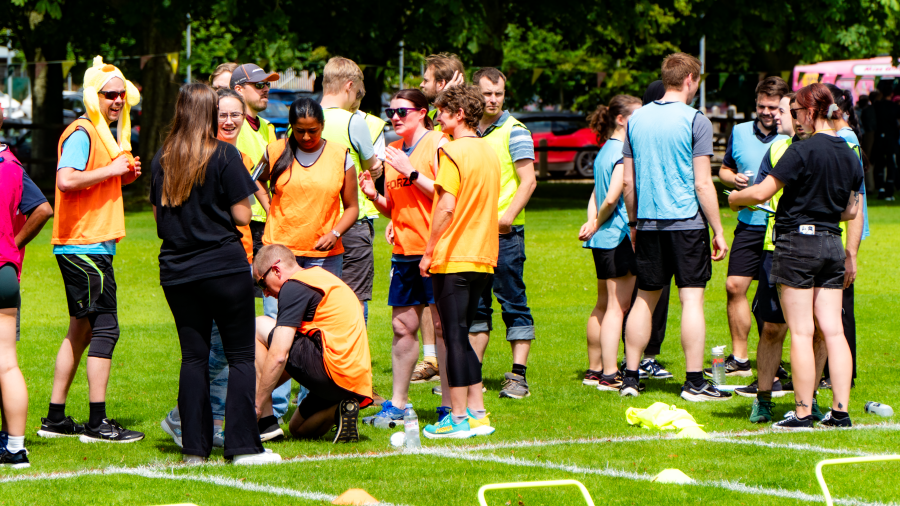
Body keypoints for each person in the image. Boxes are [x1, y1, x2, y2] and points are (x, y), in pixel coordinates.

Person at [150, 84, 280, 464]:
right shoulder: (224, 154)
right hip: (222, 267)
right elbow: (243, 215)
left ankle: (194, 448)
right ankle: (242, 447)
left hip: (177, 270)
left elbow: (160, 220)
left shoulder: (163, 158)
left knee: (193, 358)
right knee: (241, 357)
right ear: (209, 114)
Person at [729, 83, 862, 429]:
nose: (794, 119)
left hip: (797, 244)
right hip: (832, 243)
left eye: (797, 112)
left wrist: (734, 198)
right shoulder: (849, 151)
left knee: (801, 332)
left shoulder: (800, 151)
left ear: (811, 112)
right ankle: (840, 413)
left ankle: (802, 413)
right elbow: (850, 211)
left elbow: (761, 192)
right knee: (833, 332)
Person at [39, 57, 146, 442]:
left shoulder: (103, 134)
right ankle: (98, 424)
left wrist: (123, 176)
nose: (117, 100)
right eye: (109, 94)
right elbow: (66, 180)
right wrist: (113, 171)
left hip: (90, 244)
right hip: (83, 245)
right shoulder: (83, 131)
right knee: (107, 327)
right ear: (93, 95)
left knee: (81, 330)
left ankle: (54, 419)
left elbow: (94, 182)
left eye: (121, 93)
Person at [620, 52, 731, 401]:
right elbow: (702, 184)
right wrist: (718, 229)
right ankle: (694, 382)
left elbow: (628, 183)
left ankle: (631, 377)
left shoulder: (636, 120)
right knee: (692, 301)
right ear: (689, 80)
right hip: (686, 224)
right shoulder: (696, 120)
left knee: (644, 300)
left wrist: (635, 224)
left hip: (649, 224)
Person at [358, 89, 450, 423]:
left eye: (402, 111)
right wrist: (373, 197)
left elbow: (446, 194)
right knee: (402, 326)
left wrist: (410, 171)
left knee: (443, 328)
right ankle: (398, 403)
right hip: (404, 254)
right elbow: (395, 209)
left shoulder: (439, 144)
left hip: (437, 250)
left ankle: (450, 406)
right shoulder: (393, 151)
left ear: (423, 112)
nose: (395, 117)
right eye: (391, 111)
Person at [420, 85, 500, 438]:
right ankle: (477, 412)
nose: (437, 117)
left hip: (454, 256)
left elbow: (447, 206)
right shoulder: (488, 151)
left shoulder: (452, 152)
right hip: (484, 257)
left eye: (441, 112)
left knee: (453, 337)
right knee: (463, 335)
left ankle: (457, 418)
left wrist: (428, 250)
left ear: (459, 115)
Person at [253, 245, 372, 443]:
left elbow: (280, 355)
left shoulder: (293, 286)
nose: (264, 293)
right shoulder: (320, 277)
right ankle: (339, 409)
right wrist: (262, 386)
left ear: (276, 269)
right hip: (354, 383)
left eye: (261, 283)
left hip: (331, 371)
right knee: (297, 428)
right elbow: (293, 359)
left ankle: (265, 424)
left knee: (256, 326)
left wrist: (256, 404)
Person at [711, 76, 790, 378]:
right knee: (734, 286)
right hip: (748, 224)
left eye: (773, 106)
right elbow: (724, 169)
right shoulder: (740, 131)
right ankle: (740, 359)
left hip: (778, 229)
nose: (767, 112)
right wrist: (732, 180)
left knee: (773, 297)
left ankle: (774, 361)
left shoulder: (789, 137)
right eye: (762, 106)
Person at [466, 67, 537, 400]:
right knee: (476, 307)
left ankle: (517, 376)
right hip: (472, 235)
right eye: (487, 94)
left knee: (513, 302)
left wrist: (508, 217)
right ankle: (472, 376)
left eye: (498, 94)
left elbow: (529, 180)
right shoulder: (465, 131)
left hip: (505, 234)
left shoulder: (515, 131)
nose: (492, 100)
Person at [577, 94, 642, 391]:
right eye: (636, 117)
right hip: (617, 237)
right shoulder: (621, 153)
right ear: (621, 119)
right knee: (619, 307)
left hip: (601, 240)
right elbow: (614, 194)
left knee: (602, 305)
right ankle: (610, 373)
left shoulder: (604, 150)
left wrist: (592, 223)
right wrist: (600, 222)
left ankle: (594, 370)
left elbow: (595, 194)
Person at [0, 132, 52, 468]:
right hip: (4, 271)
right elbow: (44, 209)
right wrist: (13, 245)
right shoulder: (13, 165)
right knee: (7, 363)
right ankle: (16, 447)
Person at [318, 57, 383, 323]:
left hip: (316, 218)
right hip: (352, 219)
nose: (356, 99)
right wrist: (375, 168)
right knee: (354, 298)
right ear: (349, 85)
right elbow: (371, 165)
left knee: (319, 295)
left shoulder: (300, 117)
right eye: (357, 92)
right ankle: (354, 361)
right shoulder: (352, 121)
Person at [821, 83, 869, 387]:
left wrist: (851, 252)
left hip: (844, 230)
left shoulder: (846, 138)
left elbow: (857, 195)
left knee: (841, 305)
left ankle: (843, 372)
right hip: (838, 229)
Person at [232, 63, 277, 251]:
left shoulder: (267, 127)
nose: (265, 89)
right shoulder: (232, 125)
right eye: (258, 85)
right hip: (242, 218)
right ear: (239, 90)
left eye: (267, 84)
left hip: (267, 219)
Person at [870, 80, 900, 200]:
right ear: (891, 94)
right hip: (891, 138)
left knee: (880, 163)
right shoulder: (895, 107)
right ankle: (889, 190)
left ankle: (881, 188)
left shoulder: (877, 106)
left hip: (879, 138)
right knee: (891, 164)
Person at [421, 53, 466, 129]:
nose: (421, 84)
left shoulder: (460, 118)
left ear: (441, 84)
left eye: (426, 80)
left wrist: (445, 96)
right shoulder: (429, 116)